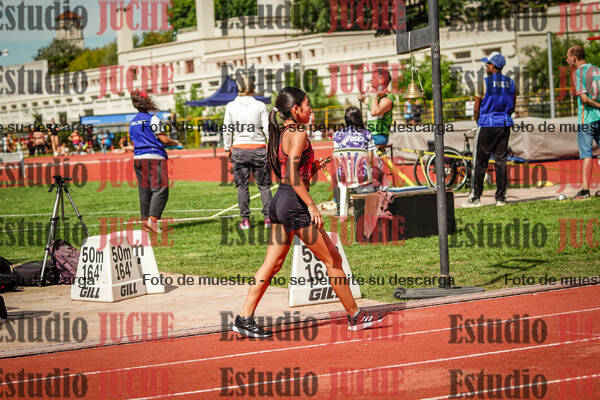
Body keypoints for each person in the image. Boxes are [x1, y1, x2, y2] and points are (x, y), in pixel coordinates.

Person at [232, 87, 389, 338]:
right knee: (333, 260)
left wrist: (313, 167)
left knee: (272, 265)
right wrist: (311, 205)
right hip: (294, 204)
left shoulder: (283, 132)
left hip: (281, 201)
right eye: (307, 105)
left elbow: (290, 172)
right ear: (296, 110)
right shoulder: (299, 132)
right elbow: (291, 174)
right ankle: (355, 316)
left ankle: (244, 317)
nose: (311, 109)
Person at [464, 52, 516, 208]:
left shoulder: (483, 82)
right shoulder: (511, 83)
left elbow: (476, 107)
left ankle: (475, 198)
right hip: (504, 124)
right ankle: (500, 198)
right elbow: (513, 106)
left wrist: (478, 122)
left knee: (479, 161)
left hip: (487, 124)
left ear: (493, 66)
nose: (486, 66)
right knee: (501, 162)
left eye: (487, 64)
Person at [223, 76, 272, 230]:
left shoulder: (231, 106)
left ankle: (245, 220)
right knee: (264, 186)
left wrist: (227, 147)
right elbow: (267, 128)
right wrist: (271, 145)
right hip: (258, 149)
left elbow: (227, 128)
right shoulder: (260, 105)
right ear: (252, 88)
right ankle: (268, 219)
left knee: (242, 187)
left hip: (239, 149)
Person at [129, 91, 181, 233]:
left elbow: (135, 141)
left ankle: (145, 222)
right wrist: (176, 143)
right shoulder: (153, 119)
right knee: (160, 189)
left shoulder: (132, 122)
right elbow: (164, 139)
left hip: (138, 159)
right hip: (153, 157)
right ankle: (152, 221)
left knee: (144, 191)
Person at [566, 45, 600, 199]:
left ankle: (585, 190)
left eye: (568, 56)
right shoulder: (597, 70)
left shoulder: (578, 72)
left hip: (586, 119)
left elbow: (584, 99)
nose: (567, 59)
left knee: (586, 154)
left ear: (574, 57)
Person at [358, 68, 394, 146]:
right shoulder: (375, 97)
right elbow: (369, 104)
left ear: (381, 80)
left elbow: (374, 112)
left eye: (374, 77)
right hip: (371, 135)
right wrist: (362, 99)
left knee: (355, 143)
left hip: (379, 136)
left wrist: (375, 95)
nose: (371, 80)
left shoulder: (387, 98)